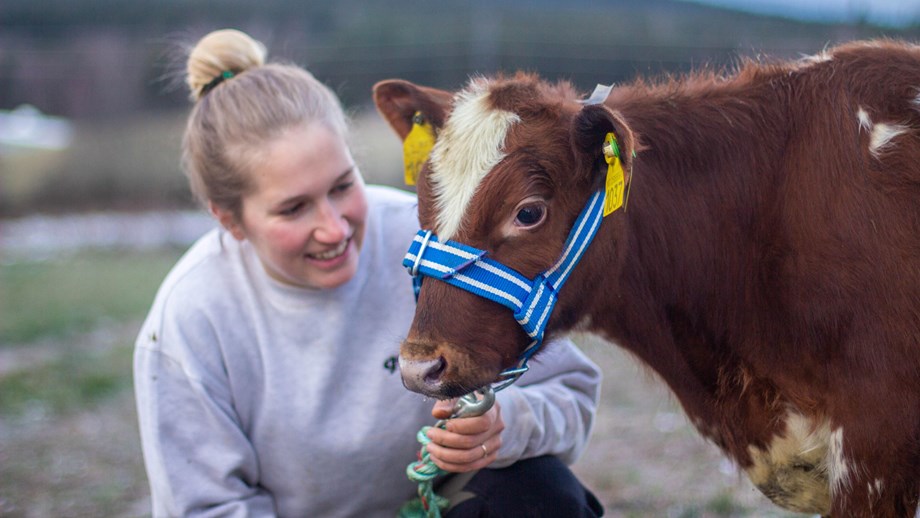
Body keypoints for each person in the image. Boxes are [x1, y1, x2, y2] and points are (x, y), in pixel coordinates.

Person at [133, 28, 604, 517]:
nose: (334, 229)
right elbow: (206, 507)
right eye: (293, 209)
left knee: (540, 493)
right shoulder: (191, 317)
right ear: (230, 220)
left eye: (342, 186)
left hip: (441, 507)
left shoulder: (434, 242)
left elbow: (570, 391)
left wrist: (506, 425)